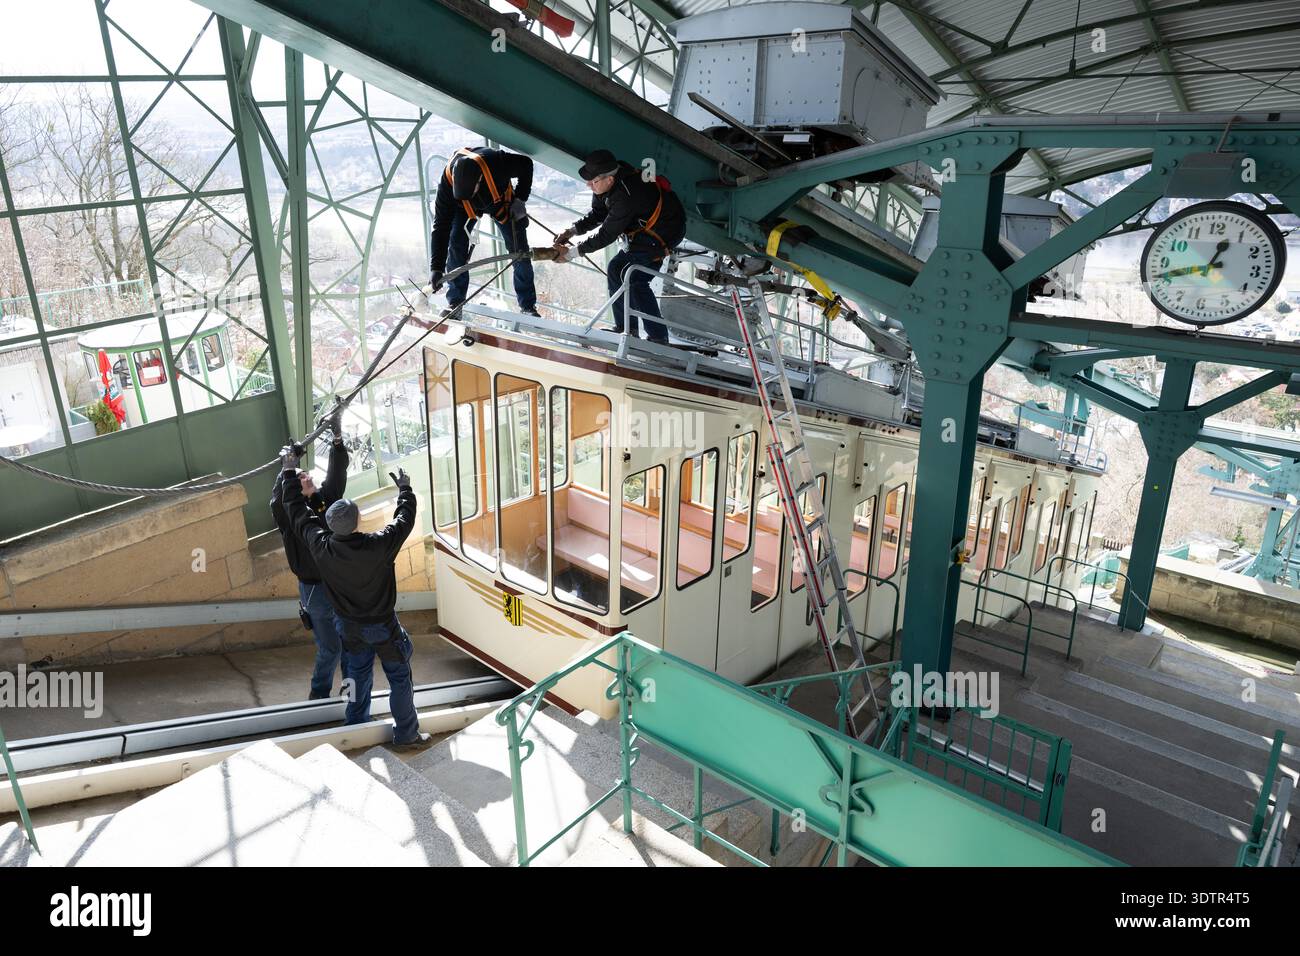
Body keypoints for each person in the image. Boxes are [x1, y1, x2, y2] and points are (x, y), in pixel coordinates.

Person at [282, 464, 430, 751]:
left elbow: (297, 513)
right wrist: (405, 490)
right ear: (358, 520)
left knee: (356, 677)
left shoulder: (321, 547)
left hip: (349, 628)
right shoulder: (380, 545)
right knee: (399, 678)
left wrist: (289, 473)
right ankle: (406, 734)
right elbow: (405, 519)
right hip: (384, 627)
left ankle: (355, 727)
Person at [553, 148, 686, 345]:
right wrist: (571, 231)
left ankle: (658, 337)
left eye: (593, 181)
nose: (589, 184)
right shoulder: (606, 185)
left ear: (609, 179)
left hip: (663, 232)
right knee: (616, 269)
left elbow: (606, 234)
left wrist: (572, 253)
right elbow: (598, 214)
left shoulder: (626, 195)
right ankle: (626, 329)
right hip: (644, 229)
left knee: (635, 279)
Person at [270, 409, 349, 700]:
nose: (305, 477)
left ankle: (352, 694)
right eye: (299, 477)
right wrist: (286, 470)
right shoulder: (291, 515)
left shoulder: (324, 502)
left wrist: (337, 439)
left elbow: (337, 475)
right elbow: (280, 500)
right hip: (315, 590)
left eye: (306, 474)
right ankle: (318, 696)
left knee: (350, 645)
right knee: (331, 647)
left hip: (337, 584)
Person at [429, 145, 539, 317]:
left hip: (500, 201)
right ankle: (455, 302)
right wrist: (436, 267)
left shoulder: (498, 163)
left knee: (519, 251)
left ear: (479, 180)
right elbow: (440, 225)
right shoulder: (447, 184)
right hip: (462, 207)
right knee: (455, 242)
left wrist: (520, 199)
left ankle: (527, 306)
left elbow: (526, 164)